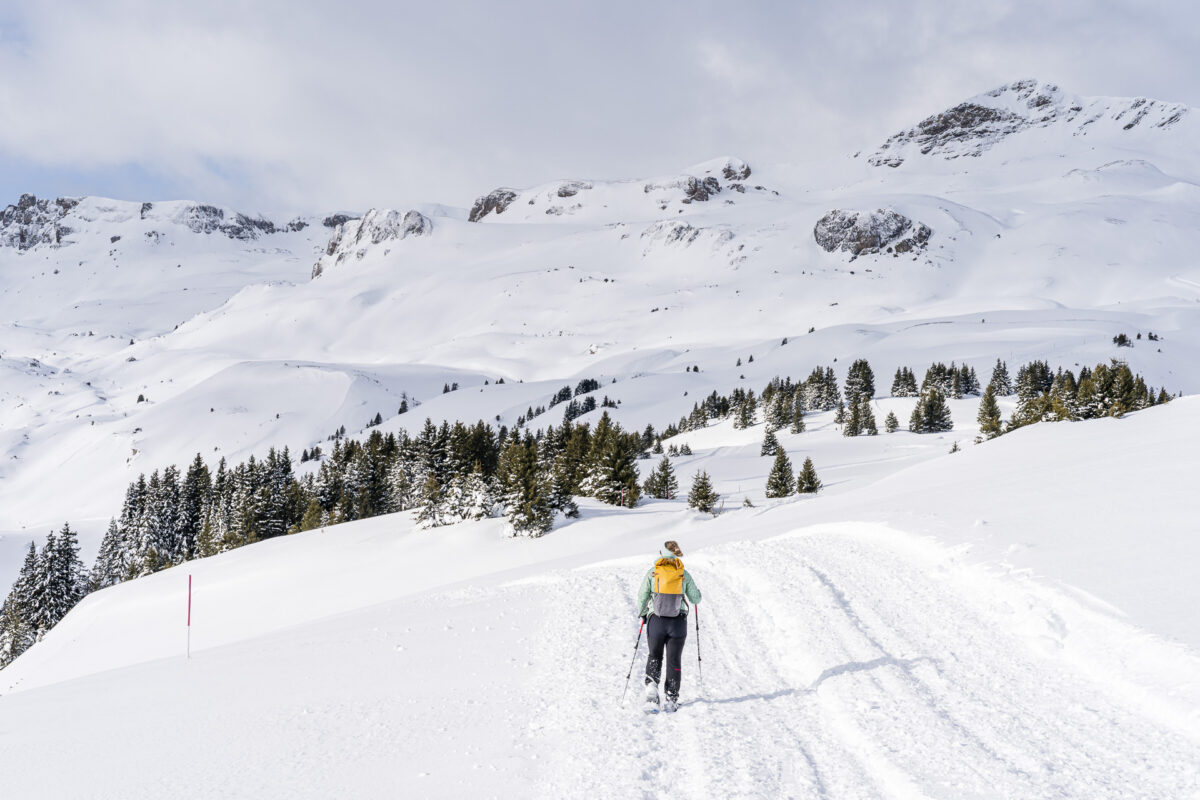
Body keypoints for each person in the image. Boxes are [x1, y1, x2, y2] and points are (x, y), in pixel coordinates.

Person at [636, 540, 702, 712]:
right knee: (674, 659)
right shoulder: (683, 574)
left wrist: (643, 614)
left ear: (661, 554)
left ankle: (651, 689)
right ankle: (671, 698)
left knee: (654, 655)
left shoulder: (653, 572)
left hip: (656, 621)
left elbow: (642, 595)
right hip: (677, 623)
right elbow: (696, 599)